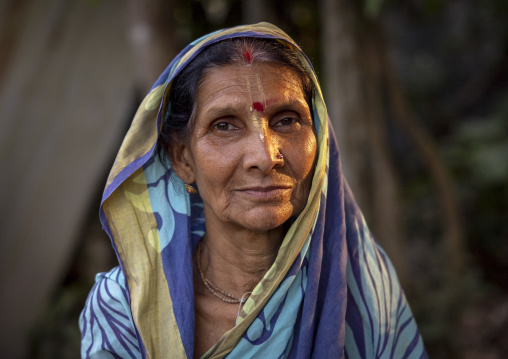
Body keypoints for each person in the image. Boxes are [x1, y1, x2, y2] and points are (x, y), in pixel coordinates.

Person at [80, 23, 427, 358]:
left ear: (319, 141)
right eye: (225, 125)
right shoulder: (126, 308)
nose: (265, 157)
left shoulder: (363, 293)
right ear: (183, 159)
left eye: (287, 120)